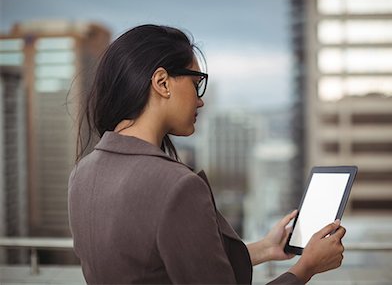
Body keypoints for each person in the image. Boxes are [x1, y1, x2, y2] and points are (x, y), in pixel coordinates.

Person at [68, 24, 346, 284]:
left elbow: (159, 268)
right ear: (162, 83)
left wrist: (264, 248)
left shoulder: (83, 172)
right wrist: (305, 268)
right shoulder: (177, 186)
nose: (200, 99)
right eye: (196, 82)